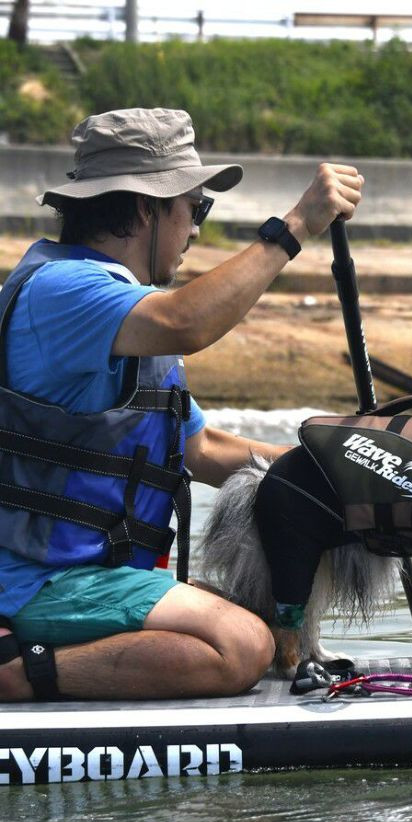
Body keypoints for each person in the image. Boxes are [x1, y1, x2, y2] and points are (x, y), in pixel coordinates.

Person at [0, 107, 363, 701]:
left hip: (96, 579)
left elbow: (202, 448)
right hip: (39, 583)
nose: (196, 229)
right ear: (146, 206)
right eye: (195, 208)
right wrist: (295, 225)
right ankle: (17, 675)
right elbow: (187, 320)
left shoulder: (124, 310)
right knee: (244, 646)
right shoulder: (66, 291)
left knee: (256, 629)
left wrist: (344, 469)